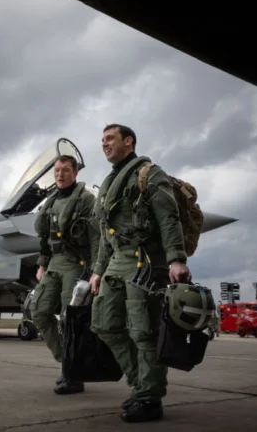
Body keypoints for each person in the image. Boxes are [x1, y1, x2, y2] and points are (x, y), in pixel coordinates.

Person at [89, 123, 192, 423]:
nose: (104, 144)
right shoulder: (109, 183)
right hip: (115, 263)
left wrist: (176, 259)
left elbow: (168, 217)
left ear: (129, 141)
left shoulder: (149, 173)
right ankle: (140, 385)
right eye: (102, 140)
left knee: (143, 332)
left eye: (110, 139)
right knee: (103, 324)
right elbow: (106, 233)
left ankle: (149, 398)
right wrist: (97, 270)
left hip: (143, 261)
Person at [32, 154, 100, 395]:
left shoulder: (86, 200)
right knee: (38, 311)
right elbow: (44, 238)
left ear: (75, 172)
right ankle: (69, 363)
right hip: (54, 264)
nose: (60, 175)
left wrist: (95, 271)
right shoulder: (50, 202)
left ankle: (72, 375)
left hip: (76, 263)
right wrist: (42, 264)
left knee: (69, 320)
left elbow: (95, 238)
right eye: (57, 170)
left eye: (66, 170)